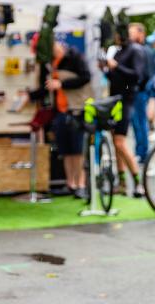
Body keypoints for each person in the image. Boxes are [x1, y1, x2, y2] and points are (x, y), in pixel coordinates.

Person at [41, 41, 91, 198]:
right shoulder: (49, 63)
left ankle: (81, 184)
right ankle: (71, 184)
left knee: (78, 150)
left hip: (77, 109)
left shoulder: (75, 57)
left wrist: (62, 83)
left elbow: (85, 77)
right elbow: (47, 86)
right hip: (60, 111)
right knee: (66, 151)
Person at [105, 27, 146, 197]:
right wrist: (109, 69)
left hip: (126, 100)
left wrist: (116, 66)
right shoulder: (120, 51)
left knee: (120, 142)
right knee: (116, 142)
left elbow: (137, 75)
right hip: (116, 100)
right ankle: (122, 182)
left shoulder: (135, 51)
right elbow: (116, 75)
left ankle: (138, 183)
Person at [129, 22, 152, 164]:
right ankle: (140, 151)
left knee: (140, 122)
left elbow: (147, 74)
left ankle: (142, 152)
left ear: (141, 33)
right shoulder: (139, 49)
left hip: (140, 92)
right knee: (137, 123)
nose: (130, 36)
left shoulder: (144, 51)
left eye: (132, 33)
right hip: (138, 92)